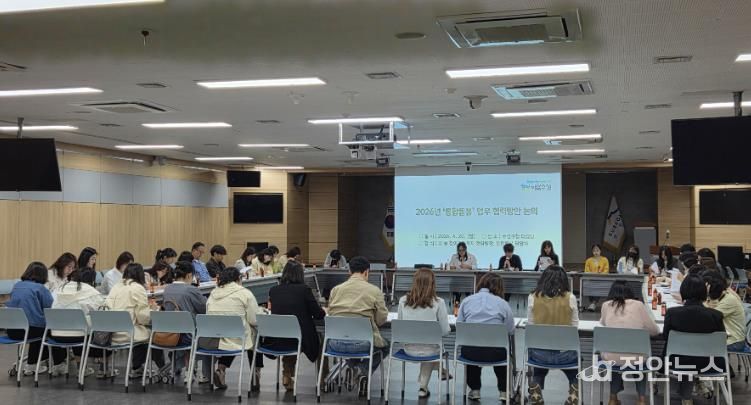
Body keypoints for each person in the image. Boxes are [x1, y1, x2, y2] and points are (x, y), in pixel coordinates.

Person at [327, 256, 389, 396]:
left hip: (335, 344)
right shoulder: (374, 291)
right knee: (385, 346)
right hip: (363, 344)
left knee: (350, 341)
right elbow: (381, 319)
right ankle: (362, 370)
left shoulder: (336, 290)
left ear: (349, 271)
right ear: (367, 272)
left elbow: (331, 314)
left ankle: (352, 366)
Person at [662, 275, 725, 405]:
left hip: (677, 362)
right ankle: (688, 395)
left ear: (683, 291)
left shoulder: (672, 313)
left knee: (684, 356)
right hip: (709, 363)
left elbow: (666, 337)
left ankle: (686, 397)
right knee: (692, 357)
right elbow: (721, 340)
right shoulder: (716, 315)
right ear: (704, 292)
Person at [266, 261, 326, 391]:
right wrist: (324, 310)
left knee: (290, 338)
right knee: (320, 341)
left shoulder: (273, 290)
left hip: (277, 338)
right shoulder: (304, 290)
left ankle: (287, 374)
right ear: (300, 274)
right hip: (300, 337)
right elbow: (318, 314)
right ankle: (323, 379)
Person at [457, 272, 516, 401]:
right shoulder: (503, 304)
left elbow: (460, 326)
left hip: (470, 353)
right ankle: (504, 391)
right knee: (503, 349)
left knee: (472, 344)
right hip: (496, 354)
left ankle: (475, 389)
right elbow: (510, 330)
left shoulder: (466, 301)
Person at [599, 281, 660, 405]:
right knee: (639, 359)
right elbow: (655, 331)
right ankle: (641, 400)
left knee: (615, 357)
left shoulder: (606, 305)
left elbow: (604, 323)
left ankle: (612, 399)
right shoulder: (639, 306)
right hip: (637, 358)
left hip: (612, 357)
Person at [526, 266, 579, 405]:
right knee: (573, 369)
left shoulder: (533, 297)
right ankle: (574, 387)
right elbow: (574, 327)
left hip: (539, 354)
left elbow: (530, 326)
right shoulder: (571, 298)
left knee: (539, 368)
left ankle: (536, 385)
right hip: (565, 354)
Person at [205, 266, 263, 390]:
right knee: (253, 333)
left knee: (231, 334)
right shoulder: (245, 293)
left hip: (215, 338)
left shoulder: (213, 294)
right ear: (238, 279)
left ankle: (221, 369)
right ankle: (255, 373)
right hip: (237, 337)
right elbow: (254, 320)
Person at [397, 268, 451, 398]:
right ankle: (425, 383)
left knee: (430, 347)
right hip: (431, 350)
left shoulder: (403, 300)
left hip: (408, 349)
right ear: (433, 283)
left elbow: (399, 328)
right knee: (432, 348)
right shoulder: (439, 302)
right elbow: (445, 331)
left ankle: (425, 385)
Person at [105, 263, 164, 377]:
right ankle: (162, 368)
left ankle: (138, 367)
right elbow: (143, 318)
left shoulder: (116, 286)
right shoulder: (138, 288)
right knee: (153, 333)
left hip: (111, 334)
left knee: (141, 332)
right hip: (128, 334)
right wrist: (152, 309)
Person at [161, 261, 210, 383]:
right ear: (189, 275)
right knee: (211, 336)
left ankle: (185, 368)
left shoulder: (167, 289)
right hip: (188, 335)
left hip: (169, 334)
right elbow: (204, 308)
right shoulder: (191, 290)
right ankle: (206, 374)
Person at [51, 267, 105, 377]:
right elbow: (101, 309)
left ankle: (79, 367)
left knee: (77, 327)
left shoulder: (60, 289)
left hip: (56, 335)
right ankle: (96, 368)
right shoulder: (90, 290)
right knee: (87, 329)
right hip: (79, 336)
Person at [6, 262, 54, 375]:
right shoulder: (40, 288)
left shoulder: (17, 286)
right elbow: (50, 307)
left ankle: (37, 362)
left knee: (37, 327)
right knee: (50, 330)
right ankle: (55, 364)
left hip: (12, 330)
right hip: (31, 331)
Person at [703, 271, 748, 353]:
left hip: (734, 341)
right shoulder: (722, 295)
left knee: (699, 345)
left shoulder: (729, 300)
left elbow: (710, 317)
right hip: (726, 337)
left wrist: (701, 301)